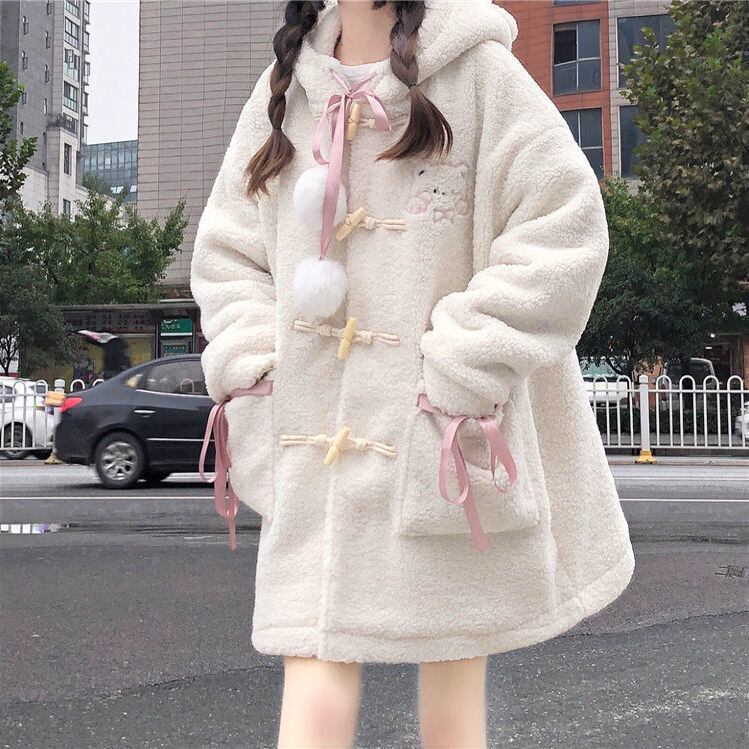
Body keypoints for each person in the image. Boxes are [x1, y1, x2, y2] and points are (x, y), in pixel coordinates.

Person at [190, 1, 636, 746]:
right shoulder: (287, 86)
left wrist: (462, 365)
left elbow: (563, 226)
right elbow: (228, 253)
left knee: (451, 692)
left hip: (437, 440)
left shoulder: (477, 73)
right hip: (317, 456)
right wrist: (255, 370)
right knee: (315, 671)